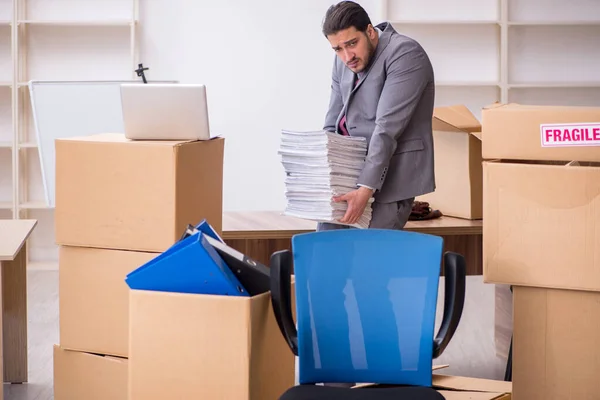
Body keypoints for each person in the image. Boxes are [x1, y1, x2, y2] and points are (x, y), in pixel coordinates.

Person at [318, 1, 436, 232]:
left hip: (393, 178)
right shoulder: (342, 60)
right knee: (325, 250)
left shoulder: (405, 53)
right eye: (338, 49)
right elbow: (332, 123)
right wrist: (323, 177)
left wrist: (365, 188)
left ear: (370, 32)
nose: (346, 56)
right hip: (347, 175)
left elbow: (386, 129)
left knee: (369, 259)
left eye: (352, 43)